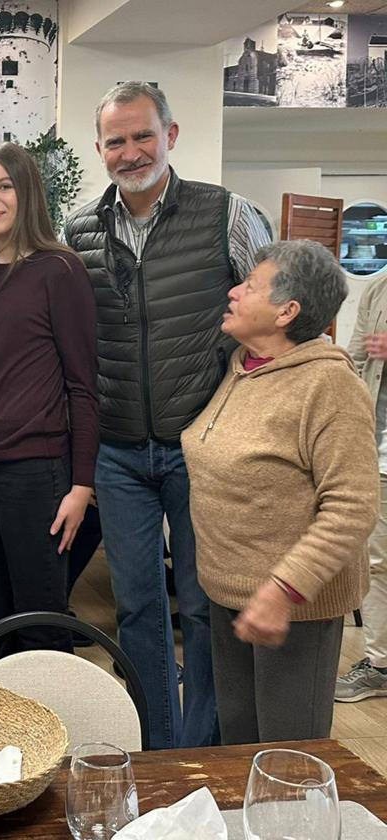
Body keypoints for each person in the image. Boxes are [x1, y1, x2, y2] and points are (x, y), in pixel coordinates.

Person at [63, 81, 270, 749]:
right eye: (116, 141)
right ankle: (156, 745)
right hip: (119, 452)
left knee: (205, 608)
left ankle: (199, 749)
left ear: (171, 136)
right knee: (138, 611)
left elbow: (275, 313)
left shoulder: (226, 214)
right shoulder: (80, 231)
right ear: (99, 150)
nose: (130, 152)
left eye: (142, 135)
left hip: (200, 446)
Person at [182, 240, 377, 743]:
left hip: (293, 610)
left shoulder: (328, 386)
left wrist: (283, 589)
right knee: (242, 748)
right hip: (230, 598)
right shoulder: (240, 368)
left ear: (287, 311)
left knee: (289, 760)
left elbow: (352, 507)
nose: (233, 291)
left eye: (249, 287)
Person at [0, 143, 98, 659]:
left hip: (35, 471)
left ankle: (59, 738)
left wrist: (80, 486)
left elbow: (83, 384)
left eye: (3, 186)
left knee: (42, 622)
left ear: (26, 192)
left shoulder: (59, 270)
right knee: (0, 620)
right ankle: (16, 736)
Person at [336, 266, 387, 702]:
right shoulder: (378, 287)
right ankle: (380, 663)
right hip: (379, 453)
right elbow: (352, 359)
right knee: (376, 563)